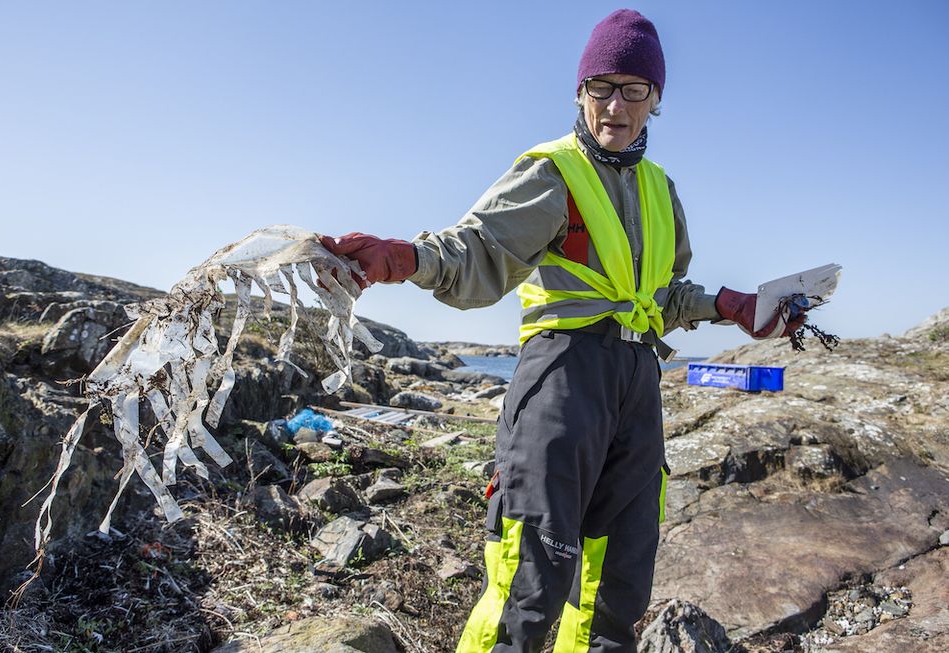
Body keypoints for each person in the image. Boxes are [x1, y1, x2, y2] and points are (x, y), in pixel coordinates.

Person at [321, 9, 802, 653]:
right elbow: (478, 250)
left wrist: (733, 305)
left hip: (638, 386)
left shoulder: (663, 190)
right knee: (529, 577)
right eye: (600, 86)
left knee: (617, 584)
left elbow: (660, 295)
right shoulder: (553, 172)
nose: (614, 105)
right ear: (579, 92)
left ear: (655, 100)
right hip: (562, 377)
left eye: (633, 89)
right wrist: (406, 257)